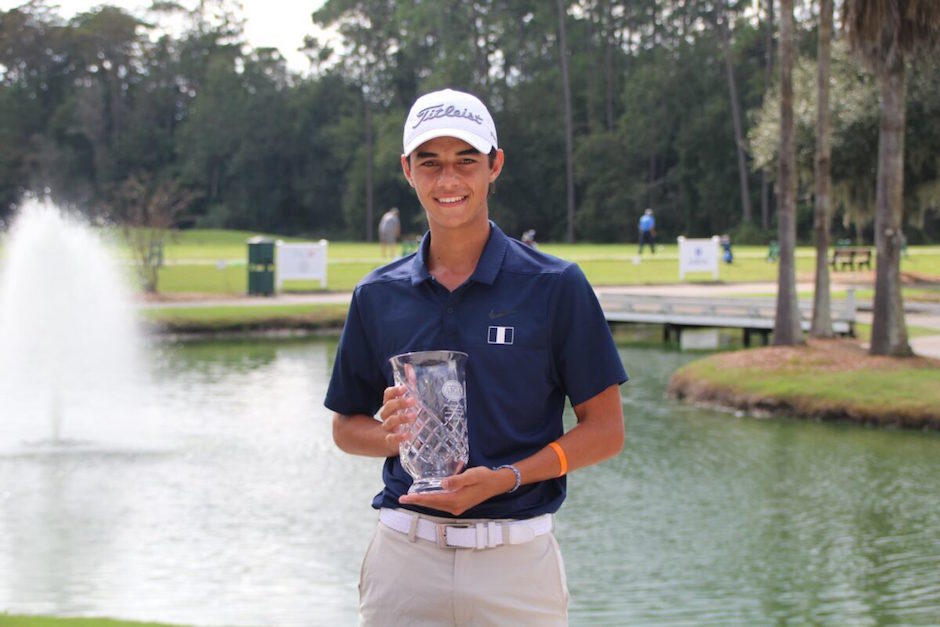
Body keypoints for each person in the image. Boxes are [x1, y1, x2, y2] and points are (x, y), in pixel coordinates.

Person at [325, 88, 627, 626]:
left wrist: (508, 477)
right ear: (407, 170)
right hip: (405, 560)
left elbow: (605, 431)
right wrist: (390, 436)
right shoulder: (377, 294)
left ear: (495, 165)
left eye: (466, 161)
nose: (448, 181)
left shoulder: (555, 286)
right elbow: (346, 427)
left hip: (515, 564)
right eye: (430, 163)